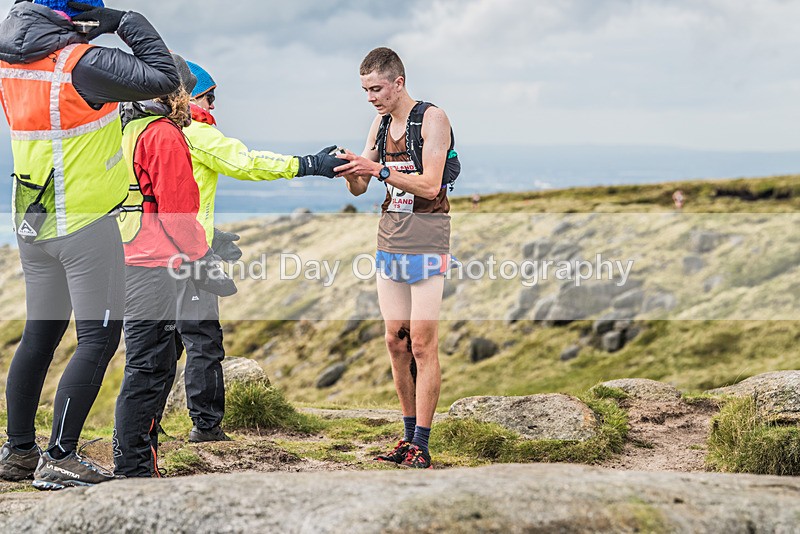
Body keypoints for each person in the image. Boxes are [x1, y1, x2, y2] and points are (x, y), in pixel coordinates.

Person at [0, 0, 180, 490]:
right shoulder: (82, 64)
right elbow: (165, 78)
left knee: (39, 336)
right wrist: (124, 22)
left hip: (34, 222)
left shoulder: (8, 61)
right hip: (86, 226)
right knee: (98, 340)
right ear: (77, 12)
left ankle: (17, 452)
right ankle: (60, 456)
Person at [155, 60, 346, 443]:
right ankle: (206, 429)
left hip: (155, 252)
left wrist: (212, 234)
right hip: (188, 258)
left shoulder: (152, 130)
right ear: (191, 96)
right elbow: (246, 162)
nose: (214, 106)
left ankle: (145, 426)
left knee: (164, 343)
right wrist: (311, 164)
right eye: (211, 97)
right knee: (203, 341)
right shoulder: (193, 130)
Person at [334, 47, 461, 469]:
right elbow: (360, 189)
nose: (370, 97)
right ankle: (406, 438)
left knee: (423, 344)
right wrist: (351, 170)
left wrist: (380, 171)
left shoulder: (433, 119)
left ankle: (422, 444)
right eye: (365, 90)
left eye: (376, 88)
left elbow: (429, 185)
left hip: (427, 238)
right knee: (396, 341)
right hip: (389, 238)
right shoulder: (380, 122)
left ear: (398, 82)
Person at [113, 54, 236, 478]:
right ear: (177, 92)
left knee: (145, 363)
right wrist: (204, 259)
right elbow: (179, 213)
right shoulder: (164, 135)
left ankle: (132, 457)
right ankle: (133, 466)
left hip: (127, 259)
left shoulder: (125, 127)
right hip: (155, 265)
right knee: (150, 367)